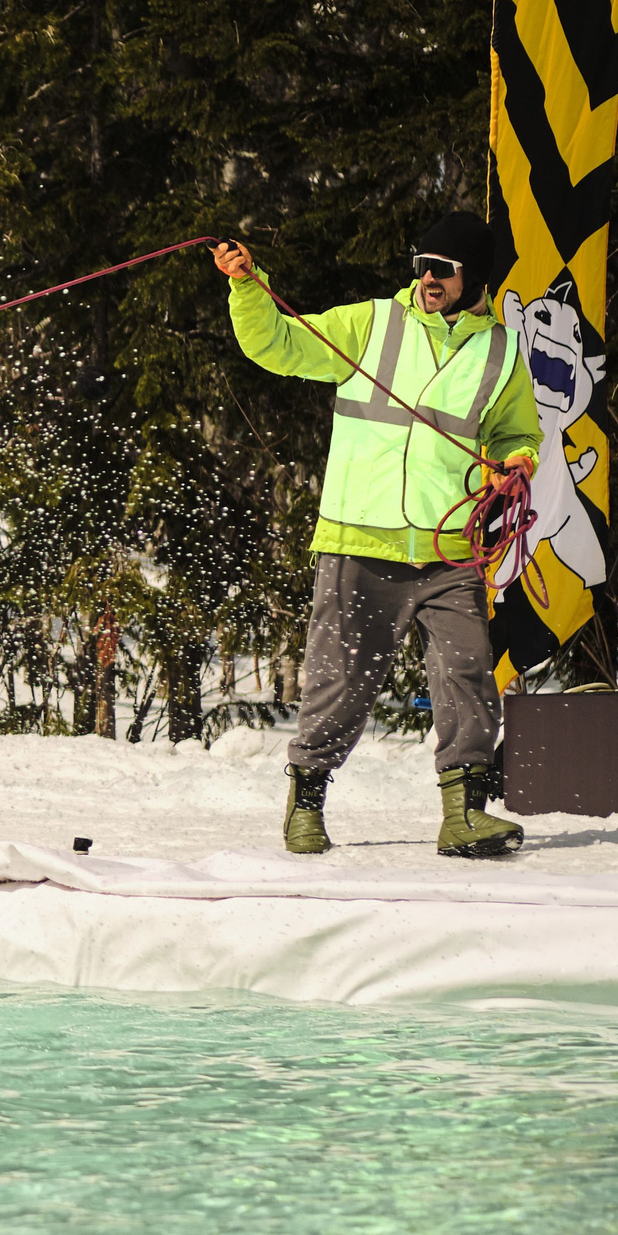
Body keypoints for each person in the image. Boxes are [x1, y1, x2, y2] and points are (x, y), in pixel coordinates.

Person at [216, 212, 540, 859]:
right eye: (421, 264)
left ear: (473, 275)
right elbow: (277, 344)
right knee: (341, 681)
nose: (426, 277)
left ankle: (464, 815)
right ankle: (306, 804)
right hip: (361, 539)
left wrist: (519, 460)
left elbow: (515, 432)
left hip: (451, 550)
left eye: (441, 268)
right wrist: (249, 287)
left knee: (468, 673)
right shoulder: (372, 323)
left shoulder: (501, 353)